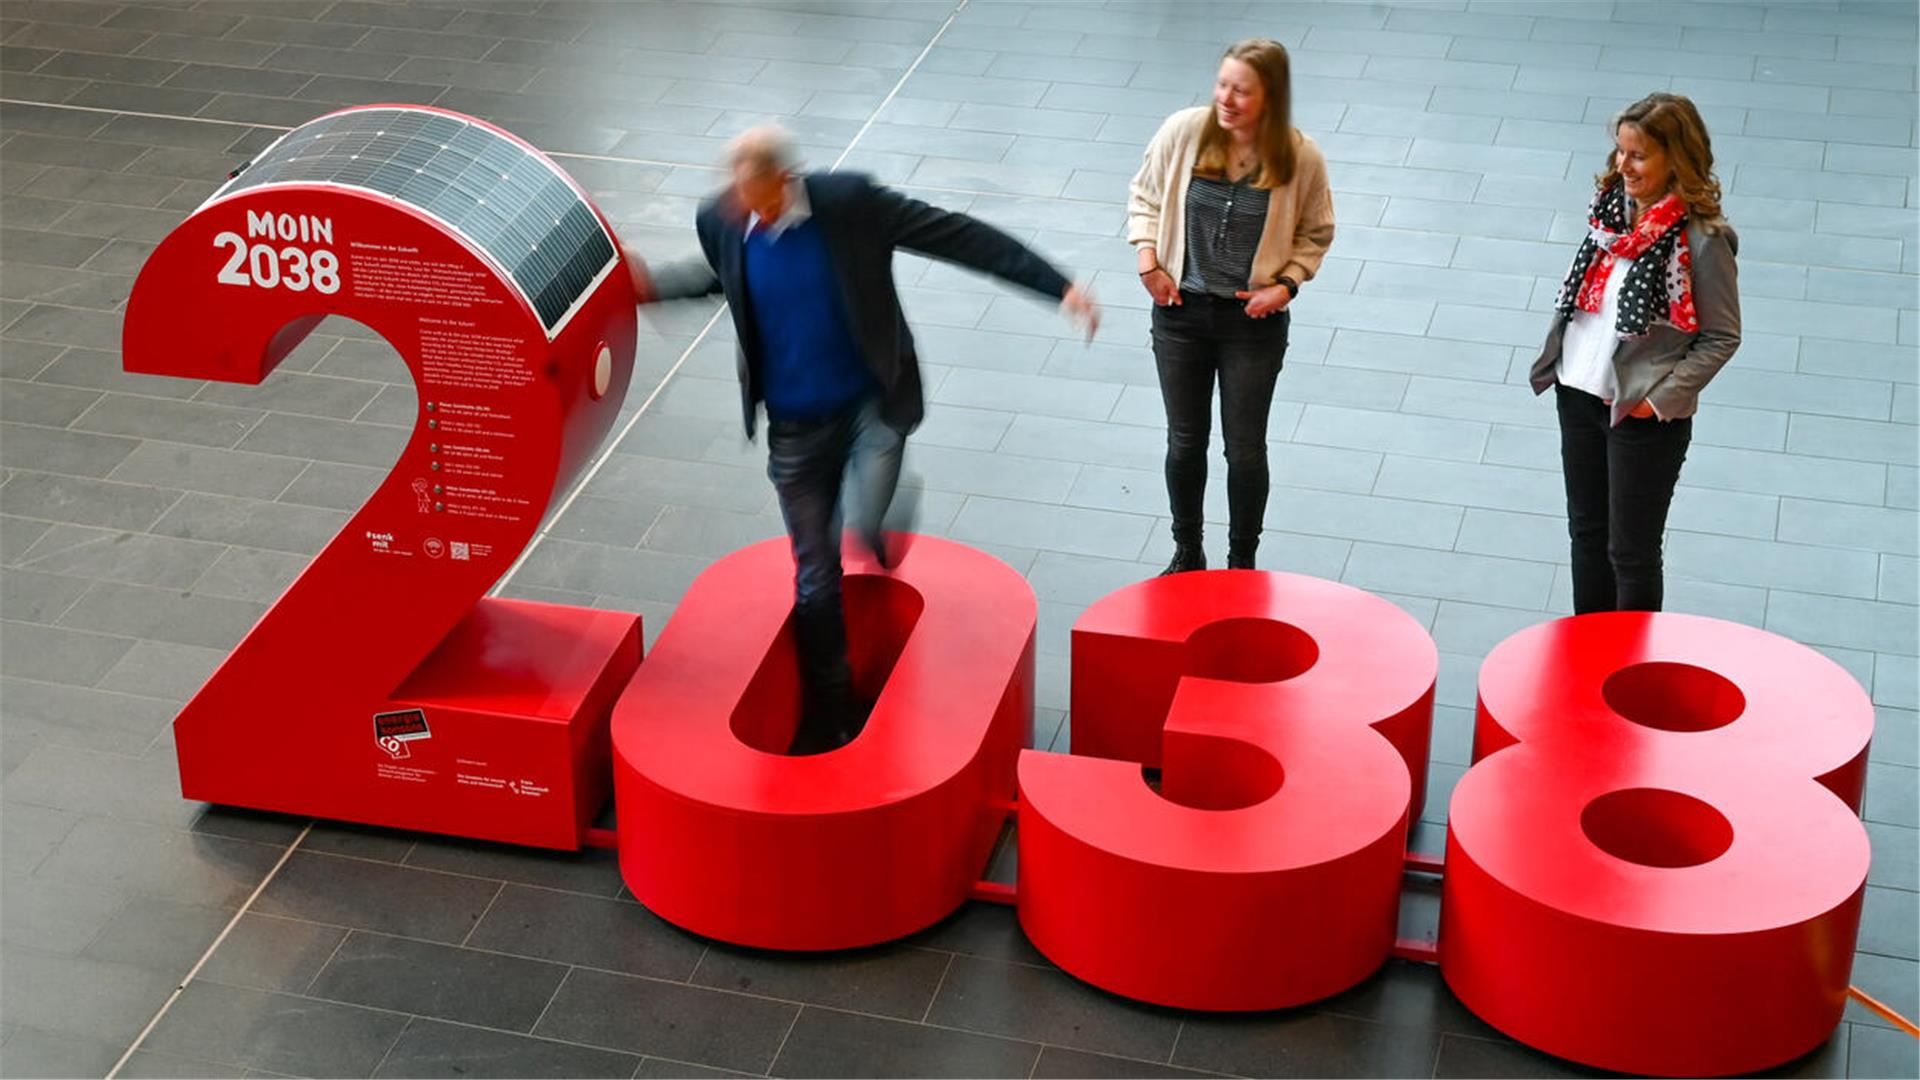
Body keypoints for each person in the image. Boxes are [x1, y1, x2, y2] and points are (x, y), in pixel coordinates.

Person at [628, 125, 1099, 754]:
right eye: (741, 201)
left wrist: (1056, 285)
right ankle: (833, 710)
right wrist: (656, 287)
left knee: (868, 518)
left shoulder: (850, 205)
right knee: (815, 578)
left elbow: (956, 235)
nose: (753, 216)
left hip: (869, 406)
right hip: (794, 429)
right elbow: (722, 277)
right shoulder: (722, 220)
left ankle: (885, 512)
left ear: (786, 180)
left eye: (762, 203)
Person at [1127, 38, 1334, 575]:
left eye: (1242, 90)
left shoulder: (1300, 157)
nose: (1227, 98)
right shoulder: (1183, 133)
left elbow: (1316, 231)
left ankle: (1242, 562)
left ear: (1270, 98)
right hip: (1180, 316)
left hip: (1252, 325)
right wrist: (1149, 263)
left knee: (1244, 450)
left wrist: (1286, 285)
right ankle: (1186, 551)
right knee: (1185, 441)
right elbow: (1145, 196)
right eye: (1222, 84)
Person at [1530, 92, 1740, 614]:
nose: (1623, 165)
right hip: (1577, 393)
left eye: (1638, 155)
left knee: (1631, 552)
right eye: (1620, 151)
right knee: (1587, 536)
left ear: (1677, 159)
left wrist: (1659, 400)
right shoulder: (1609, 216)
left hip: (1640, 416)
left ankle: (1629, 674)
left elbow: (1722, 337)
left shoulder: (1703, 239)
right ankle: (1589, 655)